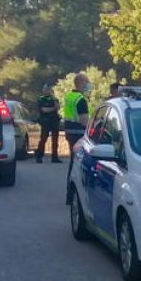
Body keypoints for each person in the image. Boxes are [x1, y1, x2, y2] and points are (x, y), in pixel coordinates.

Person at [62, 73, 91, 202]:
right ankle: (73, 194)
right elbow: (84, 120)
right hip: (79, 134)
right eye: (87, 82)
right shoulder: (80, 99)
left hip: (69, 133)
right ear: (81, 83)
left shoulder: (69, 96)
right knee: (78, 164)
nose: (89, 85)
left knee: (73, 162)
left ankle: (70, 193)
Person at [34, 83, 61, 164]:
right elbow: (44, 110)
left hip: (54, 121)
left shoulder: (54, 99)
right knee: (43, 139)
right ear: (43, 90)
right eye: (46, 89)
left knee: (55, 140)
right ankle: (39, 156)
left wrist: (53, 100)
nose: (47, 91)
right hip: (45, 122)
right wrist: (53, 108)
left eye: (49, 89)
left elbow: (58, 107)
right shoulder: (41, 99)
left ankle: (55, 157)